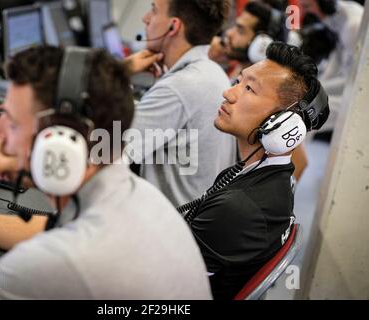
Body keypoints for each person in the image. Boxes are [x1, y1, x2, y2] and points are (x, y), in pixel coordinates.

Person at [0, 46, 212, 299]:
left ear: (60, 140)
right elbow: (43, 230)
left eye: (11, 121)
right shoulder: (138, 195)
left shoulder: (69, 260)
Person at [179, 42, 330, 300]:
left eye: (249, 89)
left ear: (282, 125)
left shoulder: (239, 208)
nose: (229, 93)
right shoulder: (272, 179)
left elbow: (166, 283)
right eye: (238, 81)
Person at [124, 0, 237, 207]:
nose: (145, 18)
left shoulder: (179, 88)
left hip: (163, 228)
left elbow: (106, 151)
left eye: (154, 10)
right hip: (193, 222)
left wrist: (118, 73)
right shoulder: (212, 72)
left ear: (173, 26)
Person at [209, 0, 308, 181]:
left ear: (260, 45)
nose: (229, 34)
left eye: (240, 30)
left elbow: (300, 163)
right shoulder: (233, 70)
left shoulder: (265, 97)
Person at [299, 0, 363, 138]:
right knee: (305, 102)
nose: (306, 12)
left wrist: (312, 92)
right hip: (352, 87)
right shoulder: (338, 17)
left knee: (306, 114)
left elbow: (354, 81)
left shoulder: (352, 26)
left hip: (361, 98)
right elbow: (336, 63)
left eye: (307, 7)